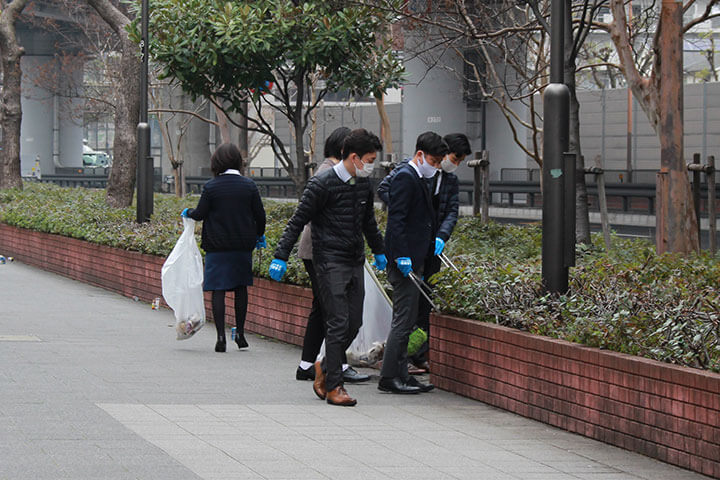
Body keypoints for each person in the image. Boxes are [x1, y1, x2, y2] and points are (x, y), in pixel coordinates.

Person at [269, 129, 386, 407]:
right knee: (337, 322)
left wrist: (380, 251)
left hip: (354, 259)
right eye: (369, 159)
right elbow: (297, 221)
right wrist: (280, 255)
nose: (372, 165)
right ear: (354, 157)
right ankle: (335, 387)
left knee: (354, 322)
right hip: (328, 261)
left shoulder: (361, 185)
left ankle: (325, 366)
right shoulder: (321, 183)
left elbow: (368, 222)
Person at [377, 133, 471, 372]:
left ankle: (415, 355)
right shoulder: (410, 171)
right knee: (406, 311)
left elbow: (452, 210)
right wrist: (409, 209)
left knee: (423, 306)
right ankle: (398, 364)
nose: (450, 164)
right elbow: (389, 197)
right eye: (452, 158)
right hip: (410, 246)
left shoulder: (449, 180)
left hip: (430, 247)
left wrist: (441, 235)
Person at [295, 127, 370, 384]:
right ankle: (331, 367)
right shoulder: (329, 173)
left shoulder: (339, 172)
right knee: (336, 313)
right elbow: (300, 218)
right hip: (322, 253)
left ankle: (310, 364)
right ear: (347, 151)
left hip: (325, 252)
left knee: (325, 308)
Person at [378, 131, 448, 394]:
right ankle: (389, 377)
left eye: (440, 161)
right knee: (403, 321)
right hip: (405, 263)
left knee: (406, 321)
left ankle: (402, 375)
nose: (437, 165)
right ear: (420, 155)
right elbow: (397, 221)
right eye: (434, 159)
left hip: (415, 258)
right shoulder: (406, 178)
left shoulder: (416, 177)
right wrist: (402, 255)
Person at [182, 143, 266, 353]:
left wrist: (188, 212)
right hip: (242, 247)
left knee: (218, 290)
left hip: (217, 247)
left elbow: (200, 213)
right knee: (240, 289)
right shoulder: (249, 186)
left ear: (217, 162)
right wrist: (258, 235)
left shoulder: (212, 187)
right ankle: (241, 334)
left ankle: (220, 337)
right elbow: (260, 216)